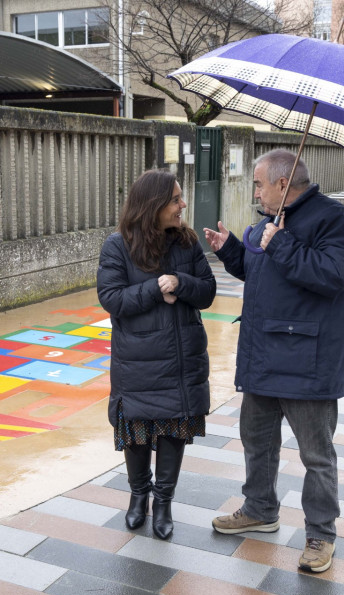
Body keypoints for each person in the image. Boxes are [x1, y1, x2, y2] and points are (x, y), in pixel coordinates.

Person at [204, 149, 344, 572]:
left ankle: (320, 534)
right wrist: (232, 251)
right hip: (262, 356)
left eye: (258, 183)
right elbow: (263, 272)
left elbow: (333, 276)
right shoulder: (268, 222)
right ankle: (259, 508)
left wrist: (285, 244)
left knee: (316, 454)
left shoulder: (334, 220)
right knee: (257, 440)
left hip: (306, 361)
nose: (254, 190)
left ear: (281, 183)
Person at [97, 168, 216, 540]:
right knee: (136, 428)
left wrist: (181, 283)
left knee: (172, 429)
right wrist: (153, 289)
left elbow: (208, 292)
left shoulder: (187, 243)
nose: (183, 204)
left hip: (181, 357)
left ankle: (163, 502)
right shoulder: (117, 245)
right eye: (176, 199)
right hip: (138, 358)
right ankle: (138, 497)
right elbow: (111, 298)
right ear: (154, 205)